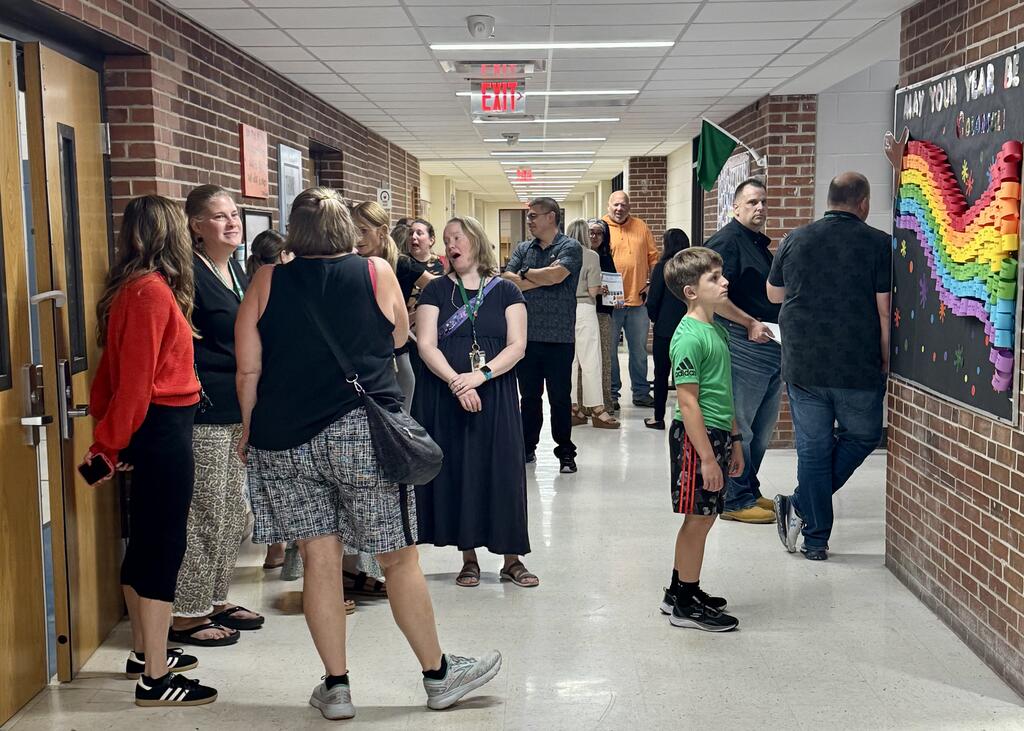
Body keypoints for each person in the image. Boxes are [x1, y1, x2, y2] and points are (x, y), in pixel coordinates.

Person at [237, 187, 500, 719]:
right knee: (397, 558)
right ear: (345, 229)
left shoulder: (266, 281)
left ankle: (336, 687)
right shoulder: (376, 272)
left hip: (285, 440)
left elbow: (248, 369)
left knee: (319, 560)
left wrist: (247, 431)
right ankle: (438, 676)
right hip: (362, 433)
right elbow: (399, 336)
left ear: (295, 231)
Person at [86, 195, 216, 706]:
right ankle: (155, 679)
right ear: (171, 234)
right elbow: (134, 382)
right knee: (161, 547)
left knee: (145, 541)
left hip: (157, 427)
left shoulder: (136, 288)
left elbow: (111, 377)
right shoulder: (150, 292)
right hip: (162, 429)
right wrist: (108, 444)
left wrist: (112, 435)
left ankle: (144, 653)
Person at [769, 173, 891, 561]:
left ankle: (813, 532)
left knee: (814, 450)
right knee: (864, 436)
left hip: (803, 363)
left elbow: (774, 294)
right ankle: (805, 516)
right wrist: (886, 357)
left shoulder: (795, 239)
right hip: (856, 361)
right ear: (864, 203)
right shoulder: (879, 244)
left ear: (829, 200)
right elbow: (884, 311)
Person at [414, 216, 538, 588]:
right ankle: (468, 557)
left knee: (503, 470)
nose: (451, 244)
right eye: (447, 239)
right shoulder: (436, 290)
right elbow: (426, 345)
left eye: (458, 237)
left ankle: (512, 559)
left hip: (495, 393)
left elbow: (517, 346)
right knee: (461, 470)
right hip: (447, 394)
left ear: (476, 240)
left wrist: (478, 376)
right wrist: (457, 382)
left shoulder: (506, 291)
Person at [170, 185, 262, 647]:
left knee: (233, 510)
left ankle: (215, 597)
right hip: (205, 409)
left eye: (234, 215)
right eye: (220, 216)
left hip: (238, 406)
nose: (231, 223)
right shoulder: (188, 273)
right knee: (205, 509)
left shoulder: (237, 270)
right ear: (196, 225)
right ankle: (187, 613)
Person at [658, 247, 742, 632]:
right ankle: (686, 605)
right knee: (699, 519)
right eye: (714, 278)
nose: (724, 282)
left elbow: (724, 390)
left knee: (703, 517)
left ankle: (679, 591)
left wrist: (735, 439)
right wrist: (707, 458)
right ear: (691, 291)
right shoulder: (688, 337)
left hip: (718, 434)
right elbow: (688, 402)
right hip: (697, 438)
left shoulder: (715, 328)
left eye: (721, 275)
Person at [704, 178, 779, 524]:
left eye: (763, 202)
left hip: (770, 344)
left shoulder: (756, 243)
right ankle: (734, 498)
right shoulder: (727, 242)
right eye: (751, 202)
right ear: (735, 207)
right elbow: (714, 296)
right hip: (742, 342)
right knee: (743, 428)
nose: (759, 207)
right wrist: (748, 322)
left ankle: (748, 487)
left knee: (761, 429)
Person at [502, 197, 583, 473]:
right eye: (529, 216)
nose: (530, 221)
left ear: (551, 217)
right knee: (529, 398)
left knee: (560, 398)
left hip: (560, 338)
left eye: (534, 216)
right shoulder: (523, 248)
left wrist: (526, 274)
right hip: (527, 337)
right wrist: (541, 276)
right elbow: (507, 280)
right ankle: (527, 447)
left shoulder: (570, 247)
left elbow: (556, 276)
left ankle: (565, 452)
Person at [352, 201, 434, 411]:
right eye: (353, 231)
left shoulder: (402, 263)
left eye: (363, 231)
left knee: (400, 420)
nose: (357, 238)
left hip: (396, 354)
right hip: (361, 357)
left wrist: (416, 315)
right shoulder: (351, 264)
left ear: (382, 231)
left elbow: (438, 287)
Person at [603, 191, 660, 409]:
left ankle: (641, 392)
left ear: (629, 207)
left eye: (624, 205)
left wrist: (652, 284)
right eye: (616, 205)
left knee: (639, 351)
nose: (620, 209)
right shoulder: (601, 227)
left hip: (638, 300)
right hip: (610, 303)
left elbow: (653, 258)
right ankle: (612, 394)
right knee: (609, 352)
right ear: (609, 205)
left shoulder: (641, 227)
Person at [567, 218, 619, 429]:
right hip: (585, 309)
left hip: (565, 311)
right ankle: (597, 410)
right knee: (590, 360)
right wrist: (601, 289)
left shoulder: (560, 255)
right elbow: (592, 290)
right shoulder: (591, 255)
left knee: (570, 361)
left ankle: (573, 408)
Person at [645, 229, 691, 430]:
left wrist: (654, 318)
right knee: (687, 376)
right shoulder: (692, 269)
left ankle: (658, 418)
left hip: (665, 329)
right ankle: (687, 421)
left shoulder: (663, 267)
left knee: (661, 375)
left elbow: (653, 299)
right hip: (688, 327)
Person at [588, 218, 618, 412]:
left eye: (599, 233)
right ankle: (585, 404)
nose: (595, 236)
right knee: (585, 360)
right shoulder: (580, 256)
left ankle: (604, 401)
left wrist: (616, 295)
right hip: (584, 310)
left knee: (604, 358)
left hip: (603, 313)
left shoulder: (606, 257)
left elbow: (613, 284)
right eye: (591, 232)